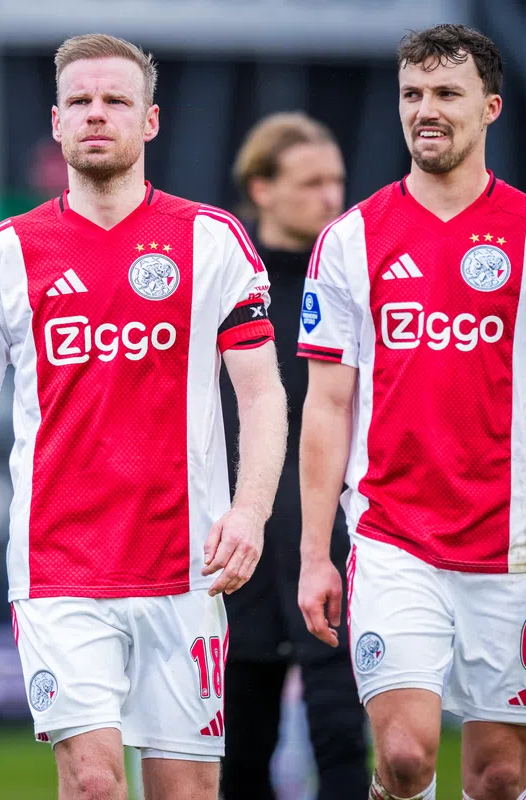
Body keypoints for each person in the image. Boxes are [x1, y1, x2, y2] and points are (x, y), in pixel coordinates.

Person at [0, 33, 287, 800]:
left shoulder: (211, 240)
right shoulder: (5, 251)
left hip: (186, 569)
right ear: (56, 121)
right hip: (58, 567)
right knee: (94, 783)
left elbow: (261, 393)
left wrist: (250, 512)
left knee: (186, 791)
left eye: (116, 101)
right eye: (81, 101)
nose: (97, 114)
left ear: (150, 121)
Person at [296, 24, 526, 800]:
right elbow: (327, 404)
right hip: (393, 537)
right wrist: (313, 552)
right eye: (412, 94)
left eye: (446, 93)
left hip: (515, 542)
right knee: (406, 757)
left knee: (499, 776)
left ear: (491, 107)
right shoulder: (350, 239)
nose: (426, 110)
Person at [221, 112, 368, 799]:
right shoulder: (223, 285)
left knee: (344, 739)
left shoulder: (357, 284)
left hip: (336, 543)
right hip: (240, 550)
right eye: (311, 182)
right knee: (239, 755)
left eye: (337, 180)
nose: (331, 196)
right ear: (262, 188)